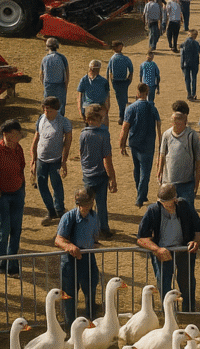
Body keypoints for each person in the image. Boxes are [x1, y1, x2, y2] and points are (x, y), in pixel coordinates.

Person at [137, 183, 200, 313]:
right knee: (163, 283)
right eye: (161, 201)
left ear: (175, 198)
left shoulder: (184, 206)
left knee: (187, 282)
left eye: (167, 202)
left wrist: (196, 241)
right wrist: (157, 249)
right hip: (163, 253)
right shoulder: (153, 210)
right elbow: (141, 238)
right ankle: (167, 313)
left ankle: (189, 311)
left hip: (184, 251)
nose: (165, 205)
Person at [0, 119, 26, 276]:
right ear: (6, 134)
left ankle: (12, 265)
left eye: (18, 134)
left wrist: (22, 187)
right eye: (15, 134)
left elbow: (21, 167)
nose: (18, 137)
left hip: (17, 193)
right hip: (1, 195)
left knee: (16, 230)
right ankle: (1, 262)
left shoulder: (18, 148)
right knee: (4, 229)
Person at [55, 188, 101, 329]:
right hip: (70, 260)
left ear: (92, 202)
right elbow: (58, 240)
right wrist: (71, 247)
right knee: (69, 294)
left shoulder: (94, 217)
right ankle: (70, 326)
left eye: (86, 203)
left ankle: (91, 321)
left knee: (91, 288)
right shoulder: (68, 217)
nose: (84, 206)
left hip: (88, 257)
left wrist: (94, 245)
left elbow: (95, 238)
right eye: (81, 203)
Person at [30, 97, 72, 225]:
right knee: (42, 185)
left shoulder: (64, 122)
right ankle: (50, 210)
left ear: (56, 109)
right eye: (45, 109)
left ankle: (60, 209)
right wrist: (33, 160)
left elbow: (68, 142)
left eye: (49, 110)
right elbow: (36, 139)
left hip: (55, 160)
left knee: (56, 184)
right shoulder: (41, 119)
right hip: (41, 160)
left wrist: (64, 162)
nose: (46, 112)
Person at [119, 83, 162, 208]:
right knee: (145, 172)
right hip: (148, 144)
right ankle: (140, 197)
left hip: (134, 143)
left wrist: (122, 144)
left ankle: (141, 193)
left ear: (137, 93)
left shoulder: (131, 108)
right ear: (147, 93)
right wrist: (160, 143)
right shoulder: (152, 107)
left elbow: (125, 127)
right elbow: (158, 125)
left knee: (137, 169)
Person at [79, 104, 117, 238]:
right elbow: (107, 158)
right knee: (101, 204)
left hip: (88, 174)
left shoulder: (83, 134)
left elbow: (81, 153)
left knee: (86, 203)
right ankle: (103, 228)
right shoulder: (104, 134)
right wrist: (112, 177)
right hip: (100, 174)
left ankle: (86, 228)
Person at [157, 110, 200, 206]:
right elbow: (162, 155)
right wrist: (159, 171)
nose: (176, 126)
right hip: (168, 183)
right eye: (174, 123)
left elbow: (199, 160)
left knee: (187, 211)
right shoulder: (166, 135)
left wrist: (197, 182)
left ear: (185, 123)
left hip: (186, 183)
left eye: (179, 124)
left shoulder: (192, 135)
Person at [106, 40, 134, 125]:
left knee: (120, 99)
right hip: (124, 81)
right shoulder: (125, 58)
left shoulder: (112, 59)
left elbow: (108, 71)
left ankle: (122, 116)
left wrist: (109, 81)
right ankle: (124, 115)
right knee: (124, 98)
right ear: (119, 47)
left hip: (116, 81)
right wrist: (129, 79)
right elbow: (131, 69)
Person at [40, 37, 69, 116]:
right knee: (60, 105)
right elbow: (66, 74)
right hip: (60, 85)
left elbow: (41, 75)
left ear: (47, 47)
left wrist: (45, 86)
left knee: (48, 104)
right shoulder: (62, 58)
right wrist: (66, 86)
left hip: (48, 85)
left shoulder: (45, 59)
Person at [76, 60, 110, 124]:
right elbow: (79, 97)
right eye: (94, 69)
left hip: (99, 107)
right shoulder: (84, 80)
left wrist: (106, 110)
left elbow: (107, 97)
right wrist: (80, 111)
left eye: (97, 69)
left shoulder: (104, 81)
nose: (96, 71)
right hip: (88, 107)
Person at [179, 29, 200, 100]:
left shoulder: (184, 43)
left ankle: (189, 94)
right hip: (194, 63)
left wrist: (182, 64)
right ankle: (194, 94)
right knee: (194, 79)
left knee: (187, 79)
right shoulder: (196, 43)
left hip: (186, 63)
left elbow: (182, 54)